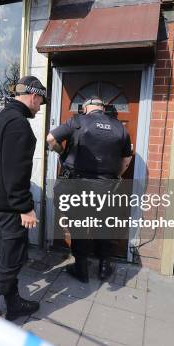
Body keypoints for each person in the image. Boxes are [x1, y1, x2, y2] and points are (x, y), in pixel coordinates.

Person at [0, 76, 46, 321]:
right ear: (33, 96)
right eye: (40, 102)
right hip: (8, 206)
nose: (39, 107)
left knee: (6, 253)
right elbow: (16, 171)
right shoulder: (18, 124)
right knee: (11, 258)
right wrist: (25, 207)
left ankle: (13, 303)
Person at [46, 96, 133, 282]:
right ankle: (103, 268)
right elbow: (126, 160)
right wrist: (116, 175)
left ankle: (82, 269)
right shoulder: (120, 127)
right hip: (106, 186)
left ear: (85, 108)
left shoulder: (76, 121)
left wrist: (61, 153)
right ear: (103, 109)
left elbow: (51, 138)